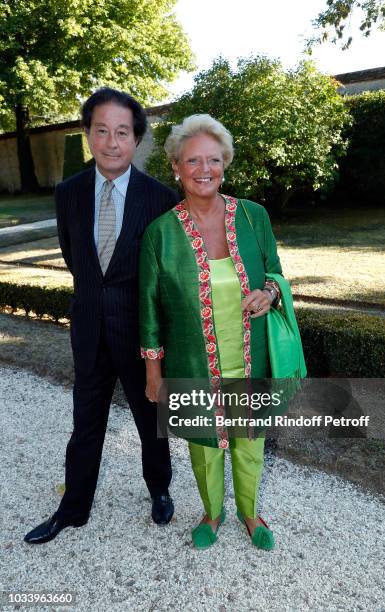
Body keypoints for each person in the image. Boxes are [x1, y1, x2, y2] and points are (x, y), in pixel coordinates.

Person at [24, 88, 178, 545]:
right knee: (84, 423)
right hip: (89, 330)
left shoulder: (159, 198)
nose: (112, 142)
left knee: (152, 419)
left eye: (123, 132)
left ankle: (160, 490)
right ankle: (73, 509)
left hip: (140, 333)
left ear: (136, 139)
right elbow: (76, 259)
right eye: (102, 130)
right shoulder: (68, 192)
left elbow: (165, 274)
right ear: (88, 133)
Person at [139, 114, 283, 550]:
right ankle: (212, 512)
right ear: (176, 168)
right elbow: (148, 309)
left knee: (250, 442)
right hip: (192, 361)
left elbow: (275, 272)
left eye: (213, 160)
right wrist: (154, 373)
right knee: (204, 446)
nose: (205, 169)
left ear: (225, 164)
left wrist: (270, 293)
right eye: (193, 160)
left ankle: (250, 512)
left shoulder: (255, 218)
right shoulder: (159, 235)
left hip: (251, 356)